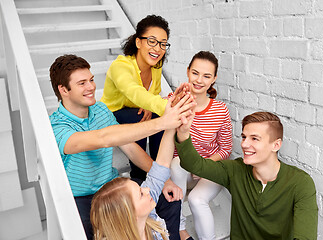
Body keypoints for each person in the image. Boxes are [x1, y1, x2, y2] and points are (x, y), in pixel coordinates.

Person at [49, 54, 194, 240]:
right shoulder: (57, 127)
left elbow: (130, 147)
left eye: (91, 80)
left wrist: (164, 181)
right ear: (64, 89)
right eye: (82, 83)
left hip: (112, 187)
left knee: (169, 198)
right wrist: (163, 123)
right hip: (81, 198)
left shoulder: (100, 110)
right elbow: (104, 138)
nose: (91, 87)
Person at [174, 111, 318, 240]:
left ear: (276, 145)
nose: (244, 144)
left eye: (254, 138)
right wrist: (183, 133)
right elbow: (195, 165)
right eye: (244, 137)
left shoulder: (300, 183)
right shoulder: (235, 170)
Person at [101, 14, 172, 181]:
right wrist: (165, 106)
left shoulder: (156, 66)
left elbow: (153, 93)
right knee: (138, 116)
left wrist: (151, 106)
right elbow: (132, 90)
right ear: (138, 42)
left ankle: (159, 168)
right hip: (111, 114)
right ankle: (138, 176)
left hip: (134, 112)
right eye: (152, 41)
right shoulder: (121, 66)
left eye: (163, 44)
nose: (158, 48)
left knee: (156, 115)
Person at [170, 51, 232, 240]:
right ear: (188, 72)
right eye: (195, 73)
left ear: (214, 79)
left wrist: (205, 165)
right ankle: (179, 229)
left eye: (206, 76)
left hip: (210, 170)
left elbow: (226, 149)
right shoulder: (173, 101)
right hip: (182, 172)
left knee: (197, 200)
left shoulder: (220, 109)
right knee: (176, 162)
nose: (199, 80)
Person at [91, 126, 190, 240]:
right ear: (130, 215)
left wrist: (172, 126)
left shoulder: (148, 218)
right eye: (141, 194)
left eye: (140, 188)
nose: (147, 189)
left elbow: (161, 166)